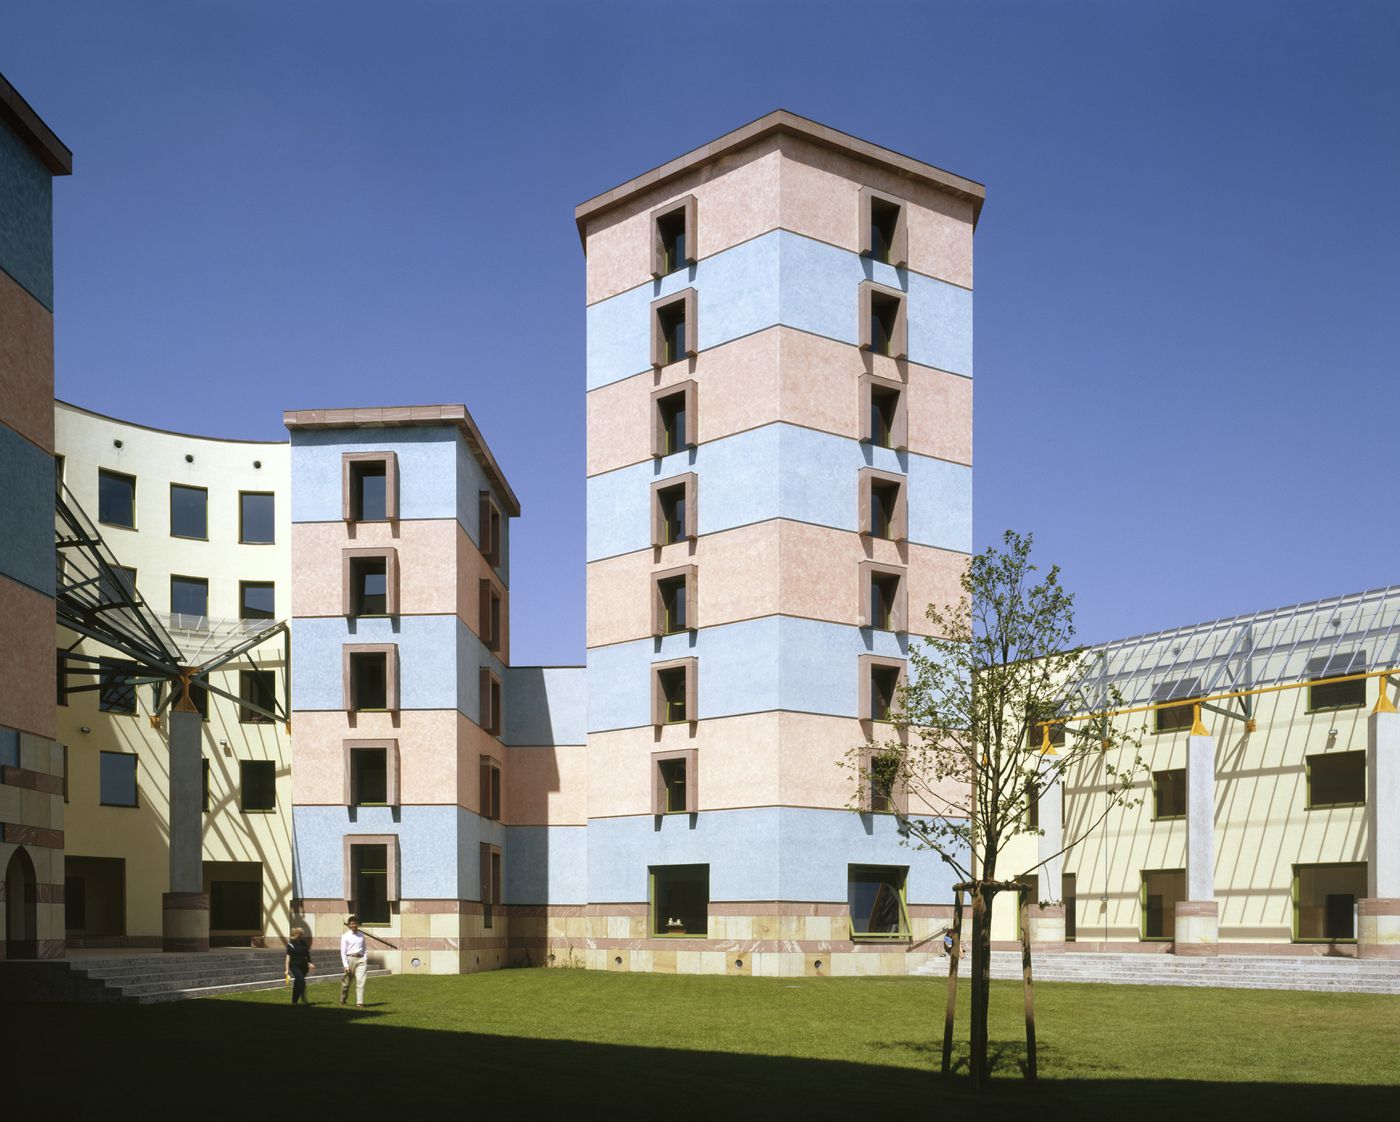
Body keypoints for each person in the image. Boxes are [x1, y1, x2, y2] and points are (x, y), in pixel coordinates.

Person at [340, 914, 368, 1007]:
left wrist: (365, 958)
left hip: (361, 960)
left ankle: (359, 1003)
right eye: (352, 924)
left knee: (361, 981)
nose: (354, 925)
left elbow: (364, 948)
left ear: (358, 924)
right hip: (350, 959)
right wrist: (346, 965)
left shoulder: (362, 935)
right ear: (348, 925)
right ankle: (343, 999)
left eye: (355, 923)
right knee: (346, 983)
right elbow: (343, 952)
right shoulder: (345, 936)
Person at [284, 926, 315, 1005]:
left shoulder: (303, 942)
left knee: (297, 983)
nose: (301, 936)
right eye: (300, 934)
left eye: (302, 934)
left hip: (303, 966)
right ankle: (304, 998)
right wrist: (287, 969)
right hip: (294, 966)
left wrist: (310, 962)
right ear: (295, 934)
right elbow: (288, 957)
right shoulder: (290, 944)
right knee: (301, 981)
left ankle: (294, 1002)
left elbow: (307, 953)